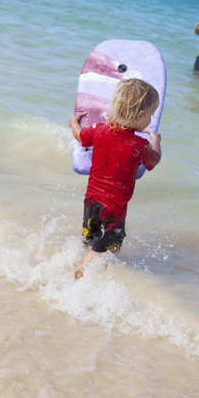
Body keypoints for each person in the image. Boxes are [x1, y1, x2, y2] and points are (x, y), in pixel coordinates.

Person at [68, 79, 162, 279]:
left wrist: (72, 121)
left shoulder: (99, 129)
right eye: (151, 115)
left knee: (89, 238)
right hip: (113, 209)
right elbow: (153, 161)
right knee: (105, 249)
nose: (151, 119)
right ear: (140, 115)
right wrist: (155, 140)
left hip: (91, 200)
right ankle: (81, 269)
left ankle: (77, 259)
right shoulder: (140, 144)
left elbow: (79, 135)